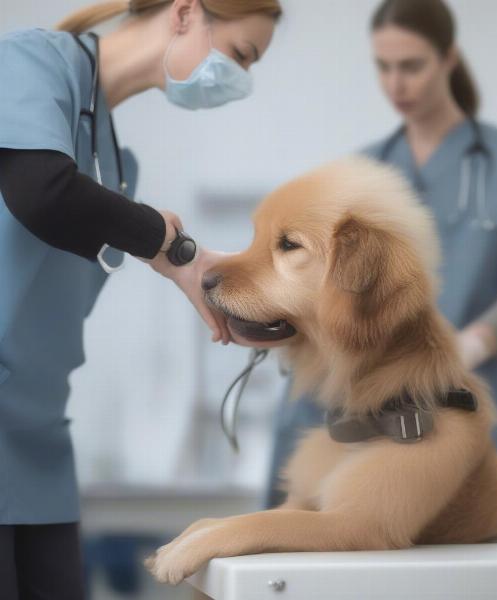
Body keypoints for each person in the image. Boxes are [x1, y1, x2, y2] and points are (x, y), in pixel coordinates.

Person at [0, 0, 282, 597]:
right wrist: (160, 240)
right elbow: (41, 192)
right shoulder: (28, 61)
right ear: (183, 13)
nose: (242, 80)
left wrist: (191, 269)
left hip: (38, 437)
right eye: (240, 56)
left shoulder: (117, 166)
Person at [263, 0, 497, 509]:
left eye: (412, 66)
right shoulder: (363, 173)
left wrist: (475, 343)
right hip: (366, 408)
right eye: (384, 67)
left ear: (449, 58)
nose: (397, 84)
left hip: (460, 397)